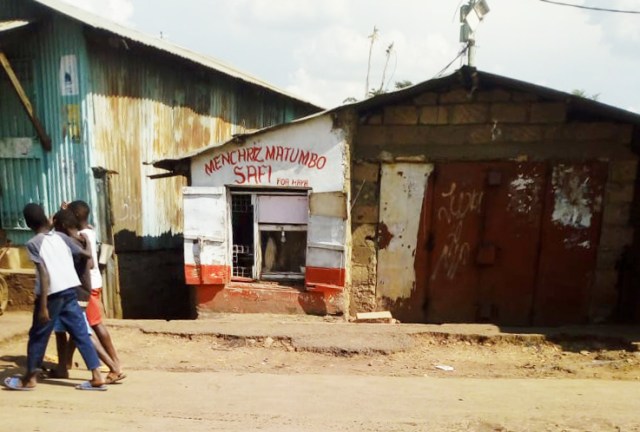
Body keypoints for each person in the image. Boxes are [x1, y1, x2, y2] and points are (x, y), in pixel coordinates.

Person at [3, 203, 106, 391]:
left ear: (27, 223)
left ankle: (29, 378)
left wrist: (42, 307)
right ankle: (97, 375)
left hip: (51, 295)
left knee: (37, 336)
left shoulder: (33, 244)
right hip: (70, 290)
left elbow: (44, 275)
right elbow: (85, 254)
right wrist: (87, 242)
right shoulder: (60, 237)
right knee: (80, 333)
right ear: (45, 218)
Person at [49, 209, 122, 383]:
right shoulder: (83, 239)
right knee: (61, 330)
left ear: (63, 226)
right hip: (77, 292)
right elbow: (89, 264)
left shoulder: (67, 243)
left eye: (56, 225)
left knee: (83, 333)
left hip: (71, 293)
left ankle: (113, 367)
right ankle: (62, 367)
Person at [68, 200, 125, 384]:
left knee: (93, 325)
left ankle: (115, 366)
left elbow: (88, 260)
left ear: (75, 217)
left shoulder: (81, 235)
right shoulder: (90, 231)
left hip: (87, 286)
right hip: (94, 283)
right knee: (78, 324)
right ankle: (66, 362)